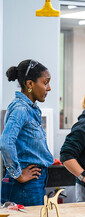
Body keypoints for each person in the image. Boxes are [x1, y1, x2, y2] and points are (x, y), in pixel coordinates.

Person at [0, 59, 54, 206]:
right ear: (29, 84)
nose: (48, 88)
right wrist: (18, 174)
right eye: (45, 83)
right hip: (25, 186)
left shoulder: (30, 108)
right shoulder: (21, 109)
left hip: (33, 181)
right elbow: (6, 142)